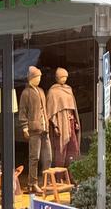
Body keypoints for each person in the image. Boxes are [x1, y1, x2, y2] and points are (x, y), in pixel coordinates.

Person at [18, 65, 52, 194]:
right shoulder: (26, 93)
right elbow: (23, 112)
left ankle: (46, 180)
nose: (39, 79)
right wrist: (25, 127)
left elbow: (45, 109)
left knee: (48, 156)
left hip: (44, 127)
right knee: (34, 157)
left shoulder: (41, 91)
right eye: (37, 77)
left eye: (39, 77)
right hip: (34, 129)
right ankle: (32, 182)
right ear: (32, 78)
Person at [47, 67, 80, 172]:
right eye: (62, 77)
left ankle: (72, 174)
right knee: (60, 151)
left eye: (66, 77)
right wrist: (55, 125)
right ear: (57, 78)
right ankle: (59, 176)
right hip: (61, 125)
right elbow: (52, 111)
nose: (64, 79)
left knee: (73, 149)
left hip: (70, 123)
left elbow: (72, 108)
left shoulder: (68, 89)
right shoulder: (53, 91)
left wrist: (75, 122)